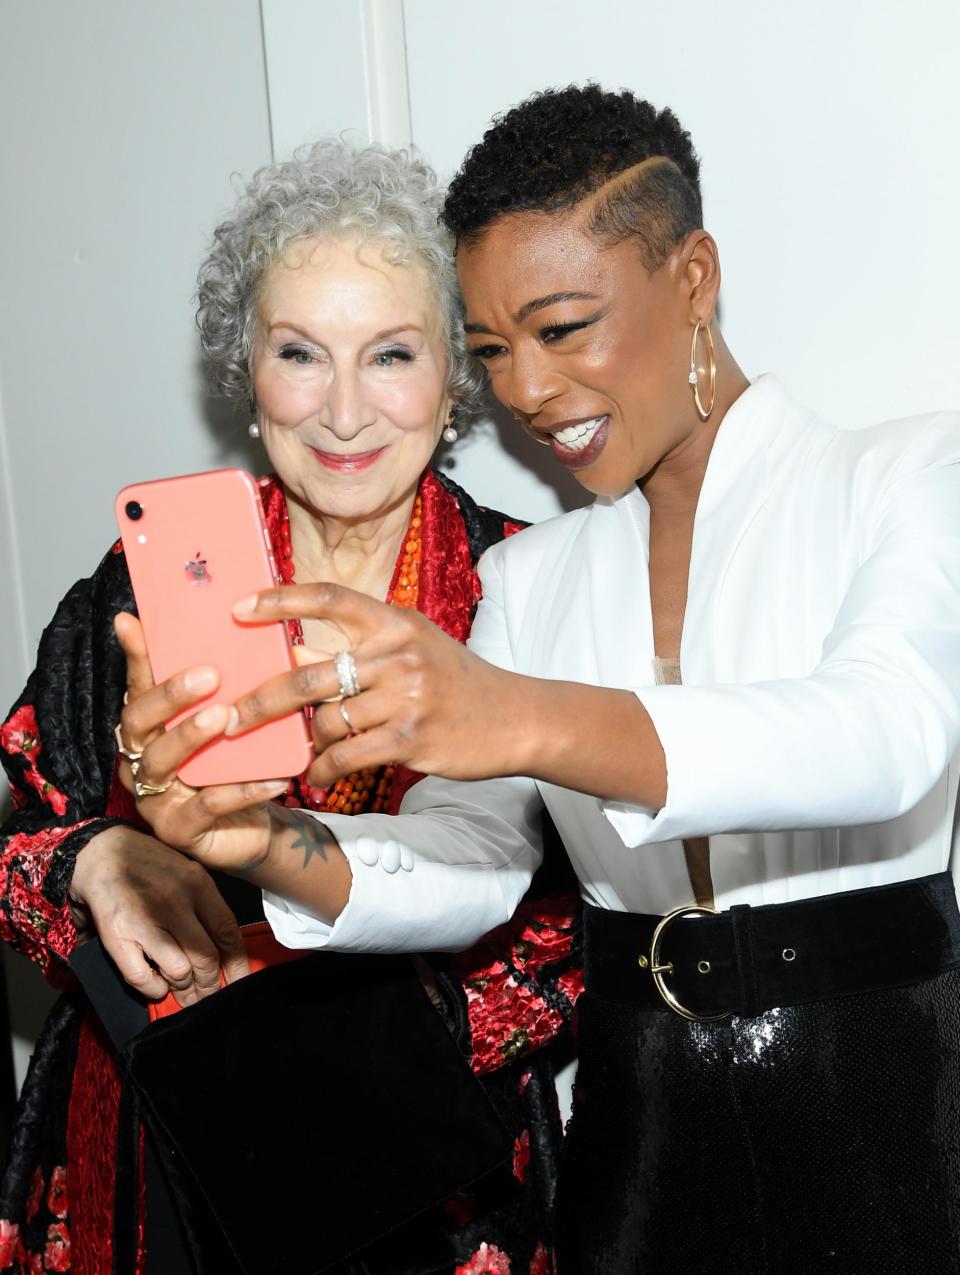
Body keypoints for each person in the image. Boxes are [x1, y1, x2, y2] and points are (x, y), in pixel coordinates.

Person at [117, 84, 960, 1273]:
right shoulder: (538, 577)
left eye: (563, 328)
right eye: (496, 350)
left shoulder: (908, 470)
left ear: (695, 279)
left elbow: (888, 734)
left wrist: (515, 715)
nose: (522, 391)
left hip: (896, 1096)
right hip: (642, 1132)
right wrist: (255, 841)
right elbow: (468, 860)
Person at [0, 139, 581, 1275]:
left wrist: (332, 1012)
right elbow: (20, 837)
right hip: (152, 1152)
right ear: (246, 366)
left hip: (418, 1182)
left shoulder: (526, 590)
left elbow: (572, 929)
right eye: (301, 353)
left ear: (454, 372)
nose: (347, 411)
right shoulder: (136, 590)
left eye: (393, 354)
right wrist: (93, 866)